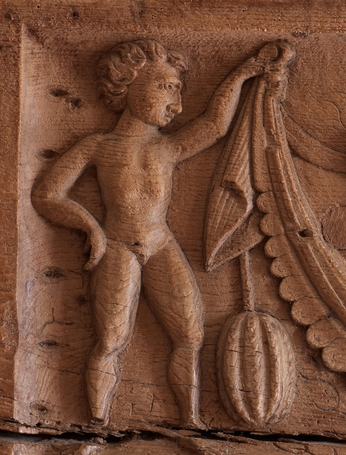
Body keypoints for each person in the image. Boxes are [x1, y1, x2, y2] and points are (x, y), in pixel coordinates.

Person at [32, 39, 284, 428]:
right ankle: (96, 428)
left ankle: (190, 421)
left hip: (160, 242)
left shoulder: (168, 148)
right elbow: (48, 195)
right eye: (166, 87)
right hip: (118, 246)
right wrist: (91, 227)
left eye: (178, 91)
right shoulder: (97, 147)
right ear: (127, 84)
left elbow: (215, 124)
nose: (176, 105)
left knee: (190, 334)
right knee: (111, 340)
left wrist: (245, 71)